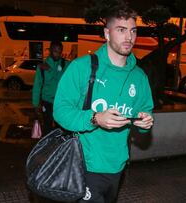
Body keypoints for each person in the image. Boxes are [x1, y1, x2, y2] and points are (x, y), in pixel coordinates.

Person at [53, 5, 154, 203]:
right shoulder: (81, 67)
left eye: (133, 31)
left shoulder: (139, 76)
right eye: (121, 30)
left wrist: (145, 123)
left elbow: (145, 111)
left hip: (118, 165)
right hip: (85, 164)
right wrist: (95, 118)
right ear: (107, 33)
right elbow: (61, 111)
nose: (129, 37)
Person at [32, 40, 69, 135]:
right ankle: (47, 147)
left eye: (59, 52)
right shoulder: (42, 66)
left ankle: (60, 147)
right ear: (50, 51)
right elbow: (37, 86)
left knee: (61, 127)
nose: (57, 54)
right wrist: (36, 105)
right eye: (55, 51)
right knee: (47, 127)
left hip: (60, 102)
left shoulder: (65, 64)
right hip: (47, 101)